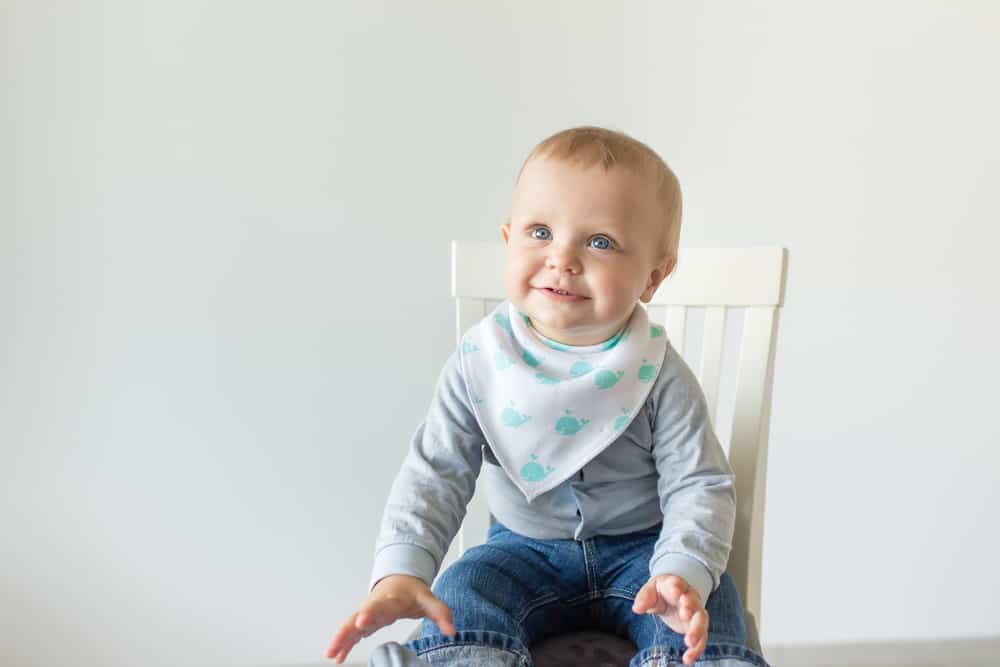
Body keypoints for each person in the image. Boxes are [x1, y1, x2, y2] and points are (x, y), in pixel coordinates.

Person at [325, 126, 770, 667]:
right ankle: (458, 658)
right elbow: (435, 473)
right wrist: (401, 570)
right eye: (540, 231)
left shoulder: (658, 372)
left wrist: (684, 571)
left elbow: (699, 483)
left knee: (702, 608)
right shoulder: (481, 362)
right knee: (466, 588)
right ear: (508, 239)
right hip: (520, 551)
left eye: (600, 241)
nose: (562, 258)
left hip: (645, 554)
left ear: (654, 275)